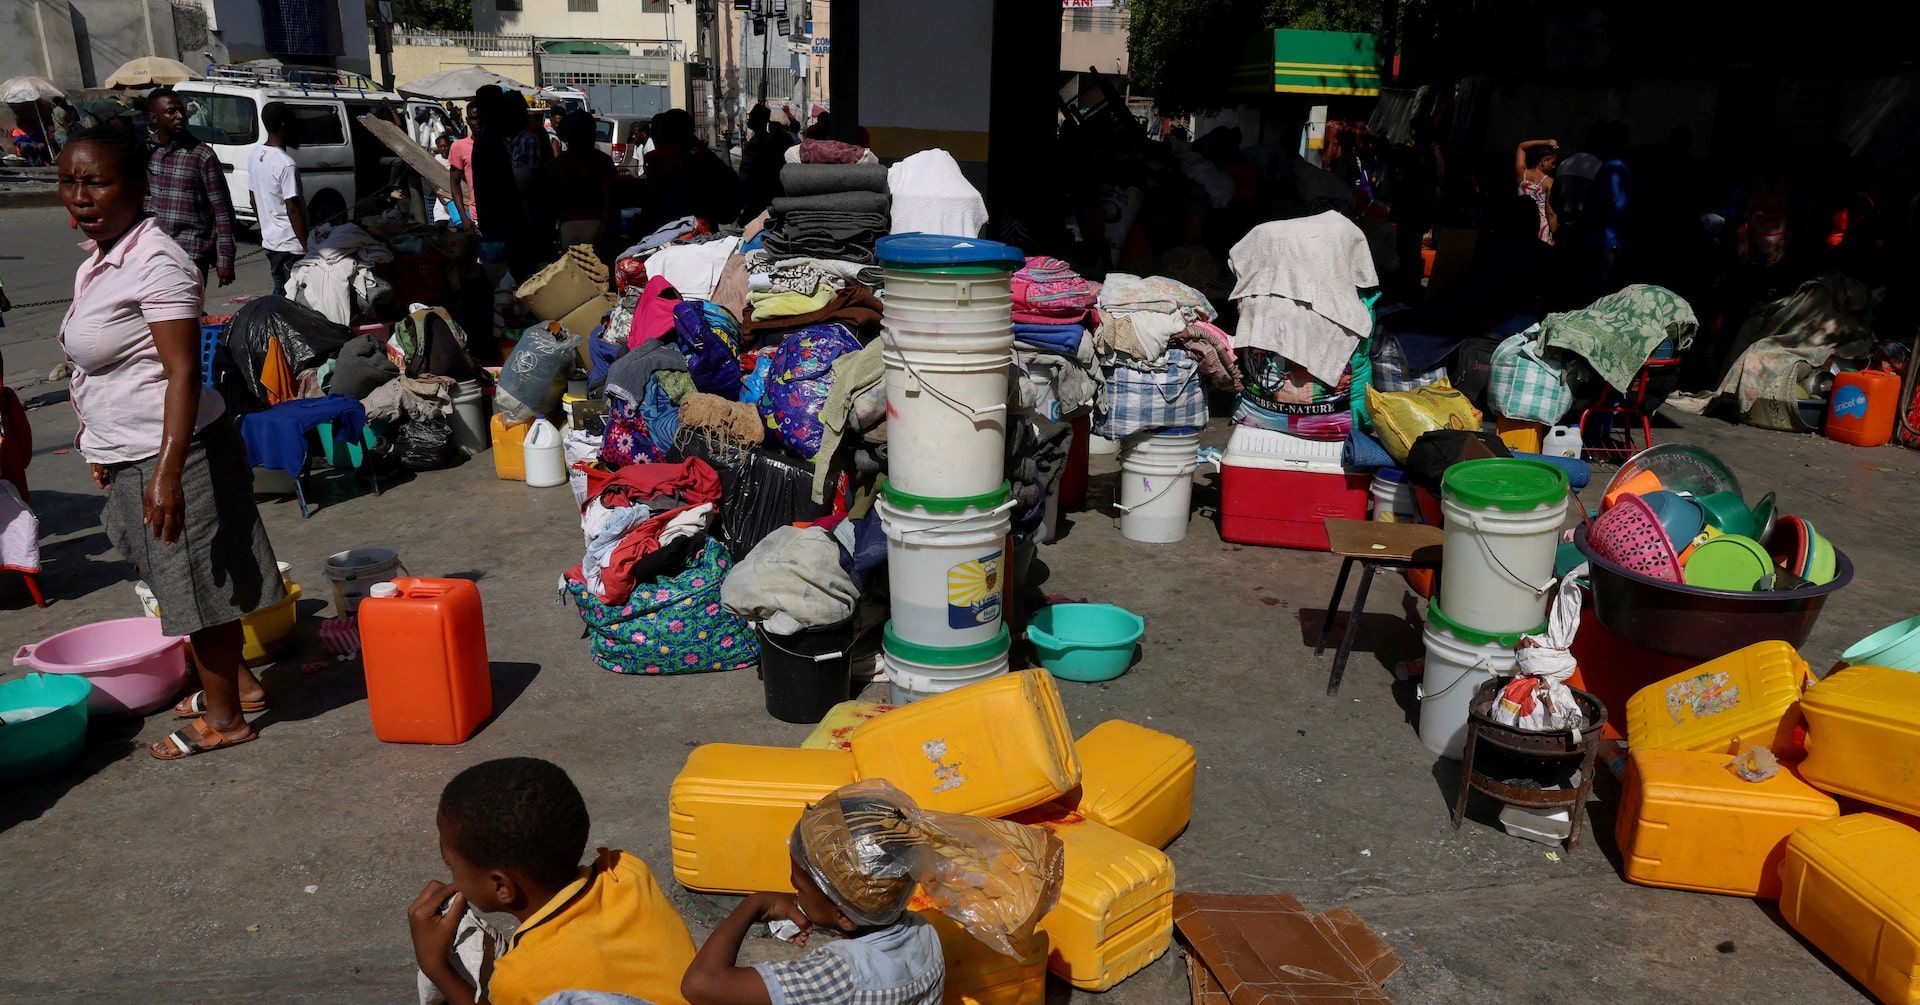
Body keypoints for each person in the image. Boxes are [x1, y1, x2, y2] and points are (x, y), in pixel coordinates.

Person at [57, 124, 286, 760]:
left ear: (135, 186)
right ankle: (240, 686)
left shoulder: (156, 262)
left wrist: (165, 472)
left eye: (95, 182)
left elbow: (184, 372)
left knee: (198, 588)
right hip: (134, 451)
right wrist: (103, 449)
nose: (79, 195)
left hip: (176, 455)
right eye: (69, 181)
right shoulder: (102, 258)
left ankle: (227, 718)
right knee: (178, 578)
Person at [408, 758, 698, 1005]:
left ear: (501, 887)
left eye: (452, 866)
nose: (451, 877)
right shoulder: (626, 869)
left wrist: (436, 968)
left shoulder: (520, 978)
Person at [144, 88, 236, 287]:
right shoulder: (148, 153)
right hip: (156, 253)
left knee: (188, 314)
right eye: (171, 112)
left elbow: (222, 212)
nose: (180, 116)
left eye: (181, 111)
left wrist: (225, 259)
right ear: (153, 117)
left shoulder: (202, 156)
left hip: (191, 254)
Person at [248, 103, 308, 297]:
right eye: (294, 124)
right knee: (293, 298)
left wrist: (267, 225)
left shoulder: (256, 155)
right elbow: (293, 209)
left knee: (281, 292)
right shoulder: (286, 164)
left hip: (271, 242)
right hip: (291, 246)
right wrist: (308, 246)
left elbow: (253, 199)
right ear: (284, 126)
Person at [539, 110, 616, 255]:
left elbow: (547, 204)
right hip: (597, 225)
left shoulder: (556, 166)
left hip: (566, 227)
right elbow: (610, 201)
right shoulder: (603, 162)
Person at [1514, 138, 1559, 244]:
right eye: (1553, 163)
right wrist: (1555, 235)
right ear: (1544, 162)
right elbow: (1550, 212)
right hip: (1539, 228)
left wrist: (1545, 142)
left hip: (1518, 223)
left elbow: (1521, 146)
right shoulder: (1549, 182)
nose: (1554, 166)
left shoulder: (1521, 173)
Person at [446, 99, 482, 227]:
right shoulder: (459, 147)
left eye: (481, 118)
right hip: (479, 216)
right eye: (473, 118)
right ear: (467, 120)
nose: (478, 122)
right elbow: (454, 184)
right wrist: (463, 217)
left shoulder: (500, 144)